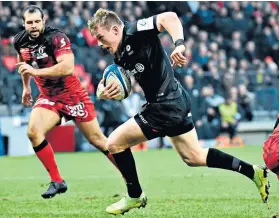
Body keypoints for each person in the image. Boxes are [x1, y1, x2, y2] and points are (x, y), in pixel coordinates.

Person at [88, 8, 270, 215]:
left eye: (101, 37)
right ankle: (253, 172)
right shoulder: (119, 57)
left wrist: (179, 45)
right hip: (174, 101)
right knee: (193, 157)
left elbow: (170, 17)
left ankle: (135, 196)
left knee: (114, 143)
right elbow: (128, 86)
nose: (100, 44)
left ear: (114, 29)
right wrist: (106, 92)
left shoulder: (134, 31)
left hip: (165, 106)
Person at [14, 5, 122, 199]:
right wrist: (26, 87)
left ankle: (129, 178)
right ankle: (57, 181)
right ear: (24, 24)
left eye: (37, 21)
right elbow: (23, 61)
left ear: (43, 21)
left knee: (98, 141)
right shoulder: (20, 40)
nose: (33, 25)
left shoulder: (57, 38)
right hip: (48, 96)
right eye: (29, 22)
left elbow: (67, 68)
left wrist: (36, 73)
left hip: (73, 95)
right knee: (33, 132)